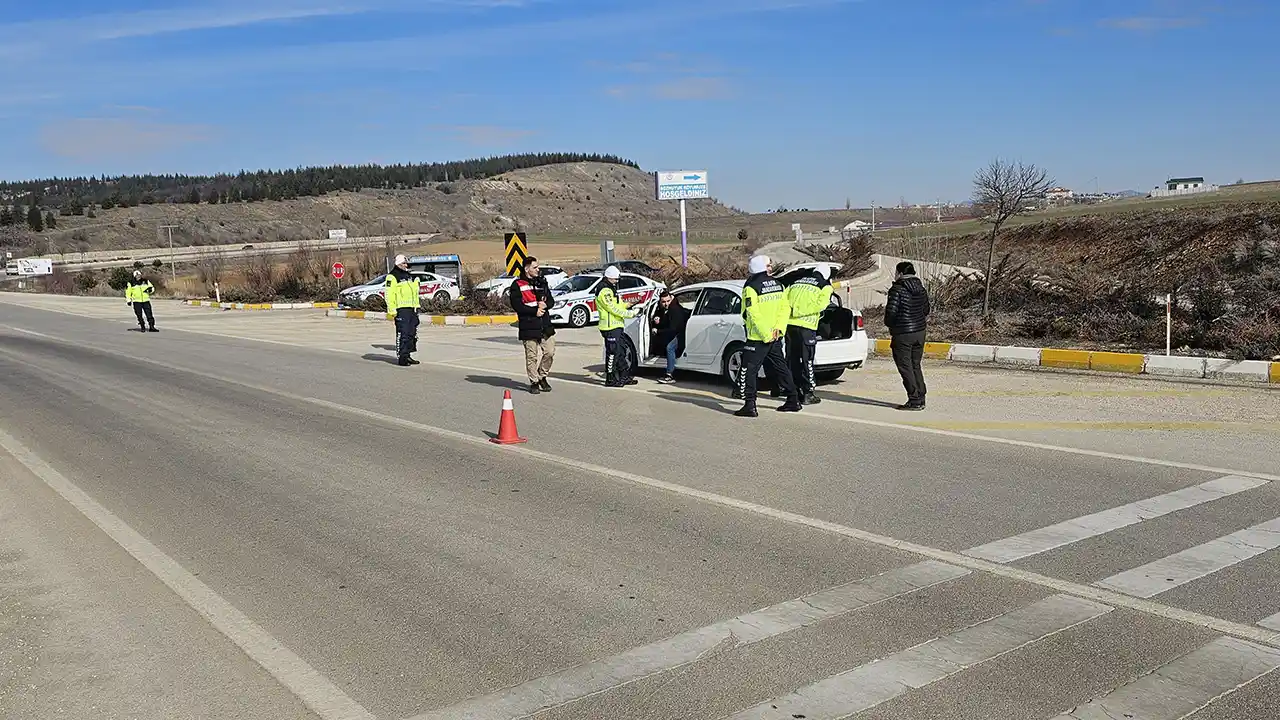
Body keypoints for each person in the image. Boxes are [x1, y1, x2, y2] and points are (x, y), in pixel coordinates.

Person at [735, 254, 799, 417]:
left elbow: (752, 313)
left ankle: (750, 405)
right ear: (762, 267)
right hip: (775, 336)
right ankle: (793, 399)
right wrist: (778, 329)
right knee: (781, 367)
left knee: (749, 370)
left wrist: (765, 334)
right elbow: (785, 309)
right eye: (769, 265)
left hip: (758, 338)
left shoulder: (751, 288)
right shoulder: (779, 285)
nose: (771, 267)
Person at [884, 260, 931, 410]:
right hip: (919, 332)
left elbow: (891, 313)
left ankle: (914, 399)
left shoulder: (896, 289)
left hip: (903, 333)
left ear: (901, 273)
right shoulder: (921, 289)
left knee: (905, 367)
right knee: (915, 365)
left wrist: (891, 325)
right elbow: (926, 310)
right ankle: (921, 396)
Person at [784, 264, 834, 405]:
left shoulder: (796, 282)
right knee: (807, 361)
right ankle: (808, 393)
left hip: (790, 325)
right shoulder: (825, 286)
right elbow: (822, 305)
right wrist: (803, 311)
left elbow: (784, 301)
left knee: (791, 359)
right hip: (807, 327)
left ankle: (792, 390)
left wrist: (794, 311)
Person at [508, 256, 556, 394]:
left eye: (538, 267)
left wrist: (545, 305)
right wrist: (534, 311)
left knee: (550, 352)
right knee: (532, 356)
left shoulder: (542, 282)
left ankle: (542, 376)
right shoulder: (517, 285)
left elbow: (551, 300)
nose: (538, 269)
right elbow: (517, 306)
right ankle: (534, 381)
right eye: (535, 267)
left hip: (545, 325)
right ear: (527, 269)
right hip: (529, 325)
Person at [595, 265, 638, 387]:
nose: (617, 281)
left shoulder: (611, 288)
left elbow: (617, 305)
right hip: (609, 327)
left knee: (621, 352)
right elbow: (612, 309)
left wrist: (628, 304)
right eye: (615, 279)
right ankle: (610, 379)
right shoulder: (604, 291)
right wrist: (631, 313)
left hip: (616, 326)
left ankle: (624, 376)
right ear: (609, 277)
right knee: (612, 353)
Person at [384, 254, 421, 366]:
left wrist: (417, 283)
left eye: (406, 263)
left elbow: (414, 292)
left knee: (411, 333)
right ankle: (402, 357)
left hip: (412, 308)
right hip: (401, 309)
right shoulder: (392, 276)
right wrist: (392, 310)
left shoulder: (408, 276)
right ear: (398, 264)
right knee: (403, 333)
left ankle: (408, 354)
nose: (406, 265)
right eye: (404, 263)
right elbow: (389, 294)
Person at [650, 289, 689, 384]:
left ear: (671, 298)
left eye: (668, 301)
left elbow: (673, 329)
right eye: (663, 302)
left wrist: (657, 330)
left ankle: (669, 375)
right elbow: (664, 318)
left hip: (680, 333)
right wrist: (657, 319)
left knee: (670, 348)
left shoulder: (675, 309)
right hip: (677, 332)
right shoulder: (667, 308)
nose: (666, 304)